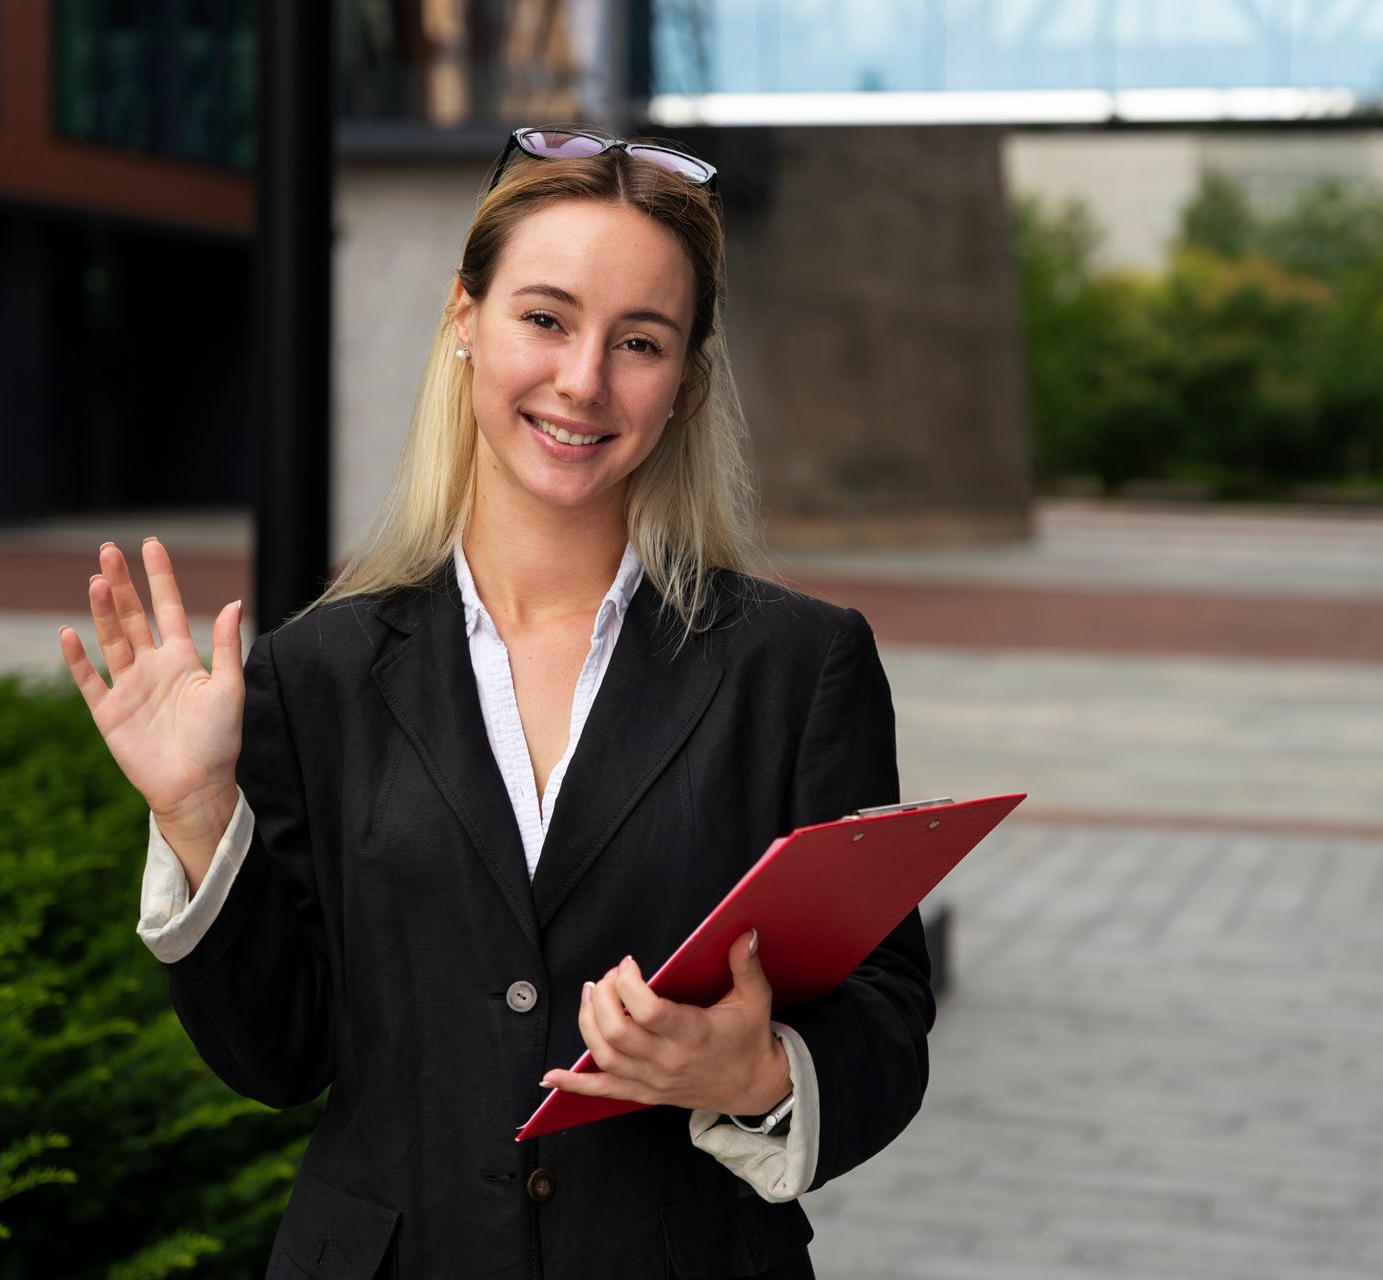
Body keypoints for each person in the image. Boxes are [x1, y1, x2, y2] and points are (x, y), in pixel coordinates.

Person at [58, 126, 934, 1278]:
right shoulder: (313, 671)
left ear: (685, 380)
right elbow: (279, 1054)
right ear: (465, 319)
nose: (584, 379)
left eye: (640, 341)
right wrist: (193, 813)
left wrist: (754, 1071)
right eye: (546, 317)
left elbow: (884, 1020)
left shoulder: (797, 666)